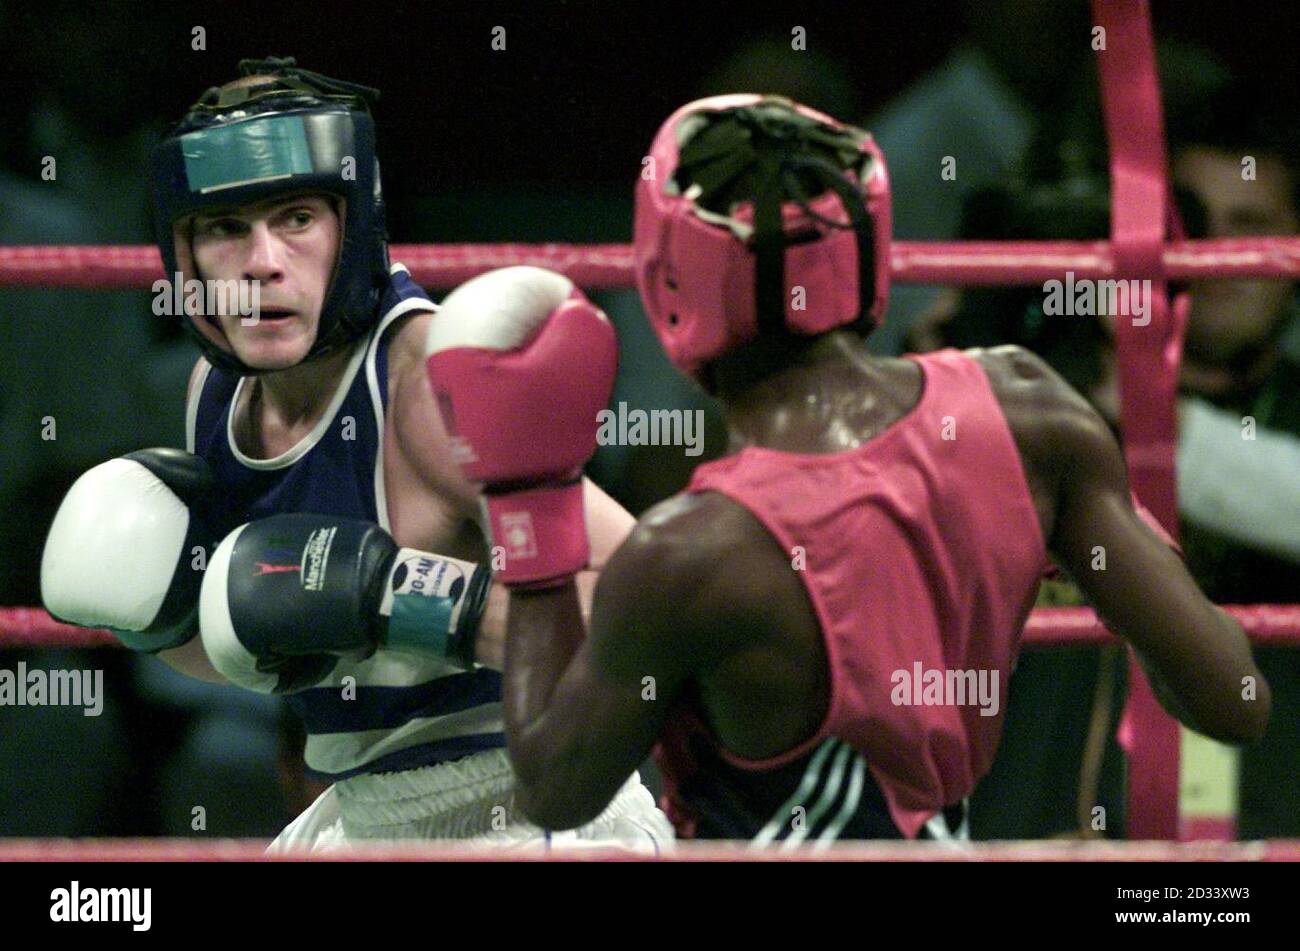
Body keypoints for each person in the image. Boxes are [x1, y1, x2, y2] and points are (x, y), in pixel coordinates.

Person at [425, 95, 1271, 843]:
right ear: (866, 252)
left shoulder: (689, 552)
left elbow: (553, 787)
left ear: (670, 282)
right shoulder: (1029, 407)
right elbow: (1234, 694)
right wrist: (1071, 542)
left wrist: (528, 499)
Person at [40, 57, 671, 851]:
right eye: (226, 228)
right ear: (183, 254)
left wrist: (400, 600)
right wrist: (173, 622)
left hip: (526, 805)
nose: (262, 260)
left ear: (356, 224)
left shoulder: (423, 390)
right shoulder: (215, 391)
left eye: (297, 218)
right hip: (363, 811)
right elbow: (282, 642)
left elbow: (644, 608)